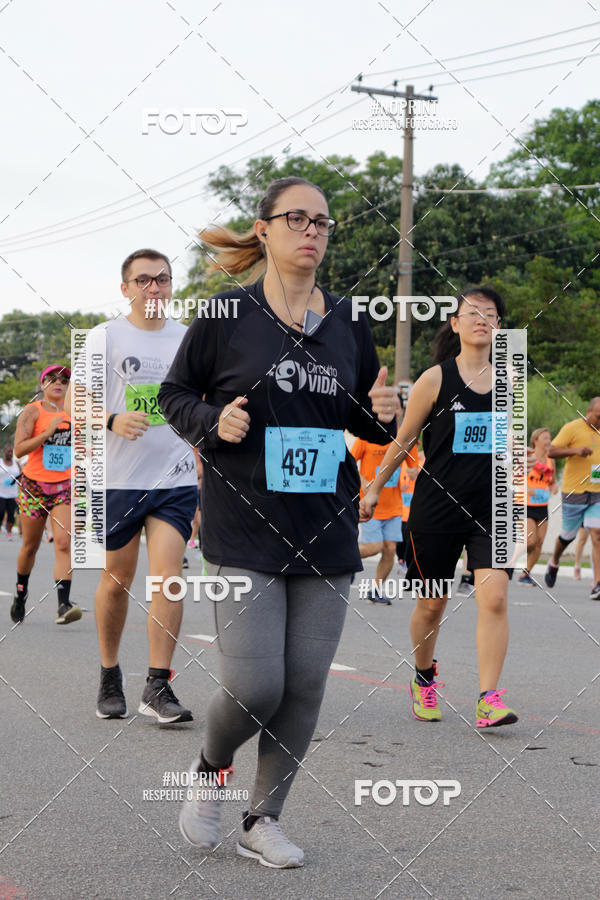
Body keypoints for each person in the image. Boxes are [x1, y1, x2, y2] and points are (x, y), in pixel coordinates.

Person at [158, 176, 399, 868]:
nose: (313, 232)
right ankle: (210, 769)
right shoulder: (227, 315)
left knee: (305, 685)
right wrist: (212, 419)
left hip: (325, 524)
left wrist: (376, 415)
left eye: (323, 223)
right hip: (245, 525)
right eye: (297, 219)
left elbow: (354, 412)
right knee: (256, 685)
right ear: (263, 230)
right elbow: (176, 395)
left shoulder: (349, 320)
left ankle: (263, 820)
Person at [361, 285, 519, 729]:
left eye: (490, 313)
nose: (481, 319)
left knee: (496, 596)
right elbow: (405, 439)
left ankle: (489, 697)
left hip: (492, 506)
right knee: (432, 604)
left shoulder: (511, 380)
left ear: (499, 326)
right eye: (471, 312)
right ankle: (423, 676)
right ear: (455, 324)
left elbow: (511, 445)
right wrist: (374, 488)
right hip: (438, 506)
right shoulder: (436, 378)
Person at [65, 248, 197, 722]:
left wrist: (202, 469)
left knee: (169, 578)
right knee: (117, 579)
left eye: (161, 279)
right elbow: (74, 405)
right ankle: (109, 673)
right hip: (116, 481)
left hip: (175, 480)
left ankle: (158, 686)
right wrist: (112, 418)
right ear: (125, 288)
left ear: (171, 285)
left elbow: (199, 408)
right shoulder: (104, 338)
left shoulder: (189, 338)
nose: (153, 288)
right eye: (142, 280)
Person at [10, 365, 81, 625]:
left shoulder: (76, 413)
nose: (58, 383)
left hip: (64, 485)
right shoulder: (33, 411)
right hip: (34, 486)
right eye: (52, 379)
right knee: (30, 546)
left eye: (64, 380)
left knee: (63, 542)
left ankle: (63, 605)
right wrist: (48, 432)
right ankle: (20, 594)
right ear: (43, 384)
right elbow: (18, 450)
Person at [351, 414, 419, 604]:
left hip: (394, 506)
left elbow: (414, 468)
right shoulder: (365, 437)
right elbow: (348, 463)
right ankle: (346, 560)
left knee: (390, 549)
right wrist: (363, 482)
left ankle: (375, 590)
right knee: (374, 547)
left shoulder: (404, 441)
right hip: (370, 505)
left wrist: (413, 472)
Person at [544, 398, 600, 601]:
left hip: (597, 492)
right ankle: (555, 561)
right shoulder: (572, 428)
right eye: (598, 416)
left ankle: (596, 584)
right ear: (588, 411)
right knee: (568, 536)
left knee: (597, 534)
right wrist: (575, 451)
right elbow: (551, 450)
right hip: (574, 492)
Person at [519, 428, 557, 585]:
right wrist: (526, 487)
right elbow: (514, 477)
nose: (549, 441)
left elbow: (552, 481)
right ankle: (508, 560)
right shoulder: (528, 457)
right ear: (535, 441)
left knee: (539, 541)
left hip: (542, 505)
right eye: (545, 438)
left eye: (549, 438)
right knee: (530, 540)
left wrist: (554, 487)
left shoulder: (550, 460)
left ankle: (525, 574)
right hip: (525, 503)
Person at [0, 446, 20, 538]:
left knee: (11, 514)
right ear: (4, 452)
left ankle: (9, 532)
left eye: (11, 452)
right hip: (1, 493)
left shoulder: (16, 463)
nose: (9, 453)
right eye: (8, 451)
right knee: (1, 512)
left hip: (13, 494)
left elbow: (21, 475)